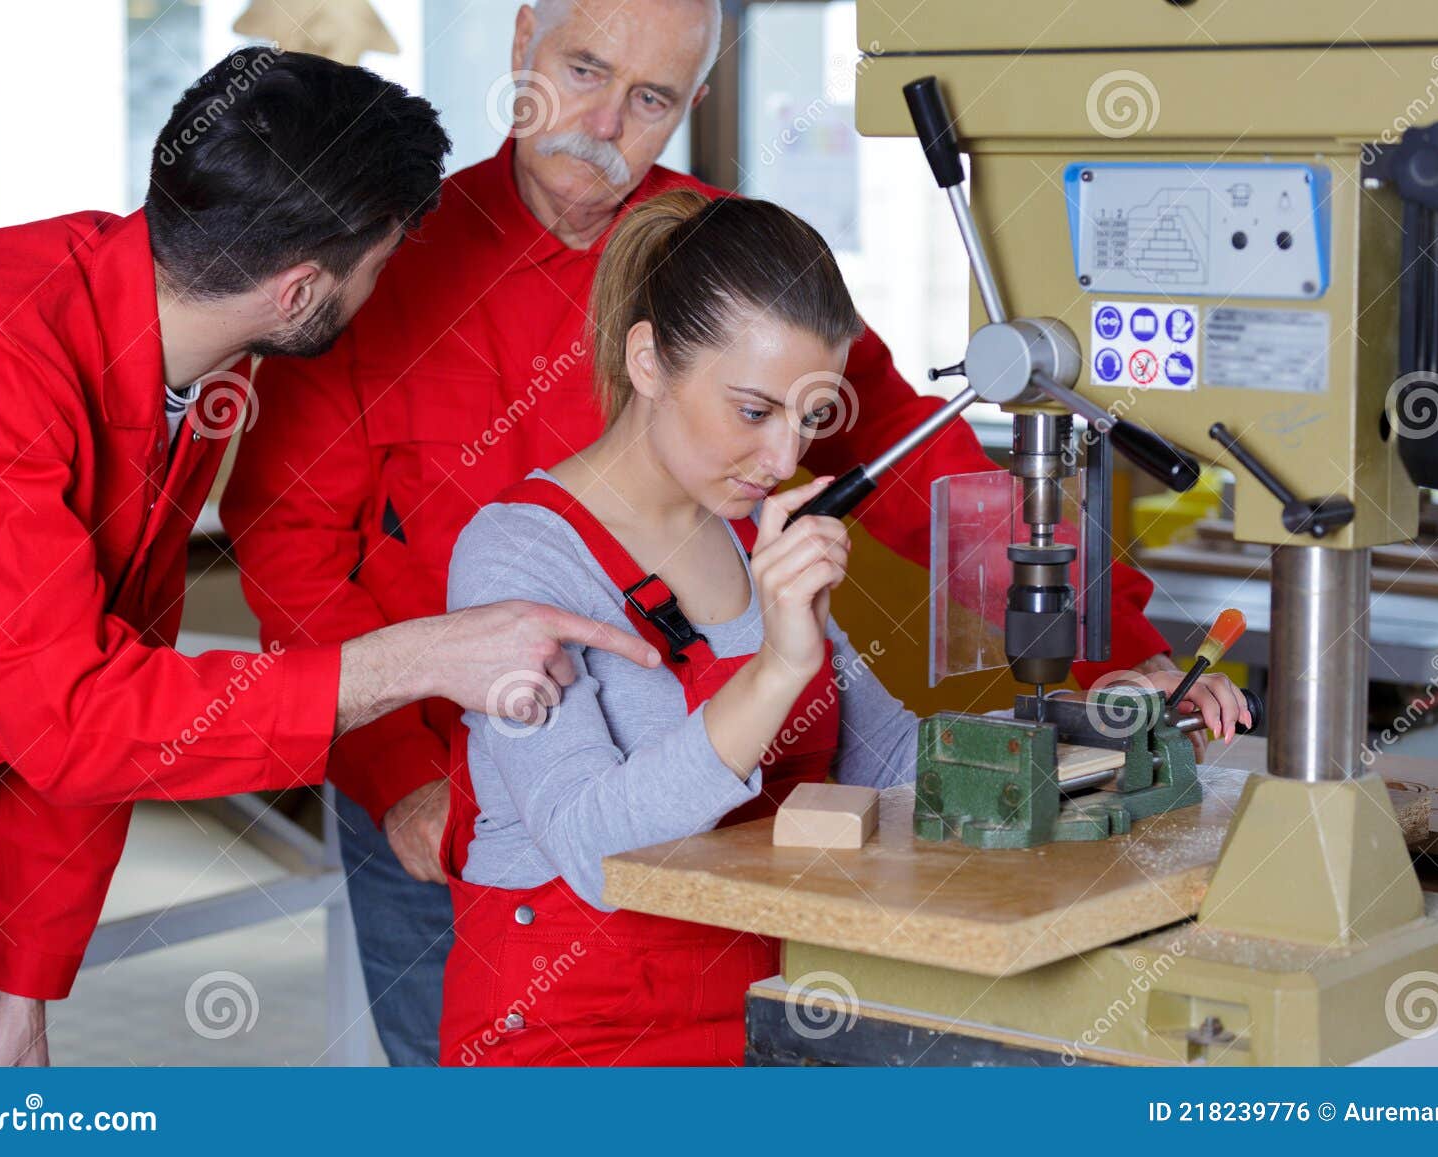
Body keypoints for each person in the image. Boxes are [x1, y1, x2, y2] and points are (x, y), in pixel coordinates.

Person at [220, 0, 1203, 1065]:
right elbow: (289, 538)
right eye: (581, 69)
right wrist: (394, 769)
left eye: (650, 99)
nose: (602, 121)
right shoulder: (387, 260)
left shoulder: (722, 271)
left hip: (701, 822)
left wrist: (1117, 649)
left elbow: (925, 471)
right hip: (435, 790)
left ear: (691, 102)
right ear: (520, 45)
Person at [0, 48, 658, 1067]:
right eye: (381, 261)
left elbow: (97, 689)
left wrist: (22, 984)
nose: (389, 286)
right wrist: (419, 656)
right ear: (297, 292)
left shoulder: (171, 365)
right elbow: (80, 718)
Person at [438, 191, 1251, 1065]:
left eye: (811, 417)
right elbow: (597, 853)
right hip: (569, 1035)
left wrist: (1106, 722)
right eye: (754, 411)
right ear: (647, 361)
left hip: (770, 1003)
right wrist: (779, 667)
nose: (787, 461)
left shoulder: (755, 536)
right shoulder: (516, 554)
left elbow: (900, 768)